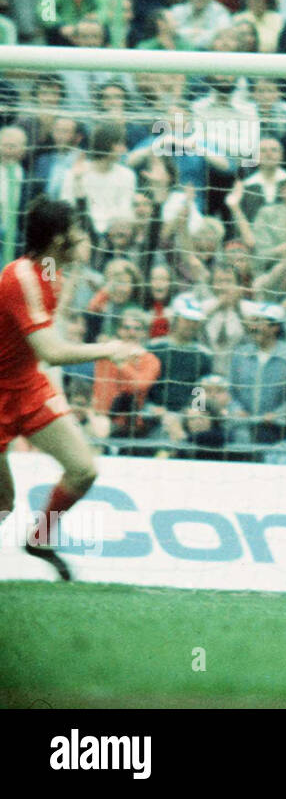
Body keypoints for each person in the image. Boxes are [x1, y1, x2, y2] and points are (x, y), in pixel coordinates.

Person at [0, 198, 145, 580]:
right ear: (61, 238)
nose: (85, 238)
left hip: (27, 387)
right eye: (79, 231)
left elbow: (42, 350)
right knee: (3, 503)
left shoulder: (52, 274)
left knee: (83, 470)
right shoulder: (21, 278)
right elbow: (50, 350)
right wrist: (109, 349)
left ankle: (40, 539)